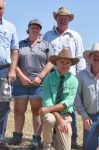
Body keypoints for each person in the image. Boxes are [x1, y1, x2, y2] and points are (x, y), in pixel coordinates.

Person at [43, 7, 86, 148]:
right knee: (50, 108)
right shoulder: (47, 35)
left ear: (69, 20)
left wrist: (81, 76)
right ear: (56, 18)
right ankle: (49, 140)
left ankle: (71, 138)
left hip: (71, 76)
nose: (63, 19)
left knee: (69, 108)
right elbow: (44, 56)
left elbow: (79, 56)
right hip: (52, 75)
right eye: (60, 17)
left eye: (65, 17)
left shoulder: (75, 36)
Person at [8, 19, 53, 149]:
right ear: (28, 29)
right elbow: (13, 60)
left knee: (37, 111)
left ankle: (36, 138)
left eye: (37, 27)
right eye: (32, 27)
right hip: (20, 83)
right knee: (18, 111)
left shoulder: (46, 44)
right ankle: (17, 136)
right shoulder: (20, 44)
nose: (35, 29)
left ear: (40, 31)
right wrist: (21, 76)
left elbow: (51, 62)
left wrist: (40, 77)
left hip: (39, 84)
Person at [39, 48, 79, 150]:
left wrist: (61, 119)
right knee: (48, 119)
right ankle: (46, 145)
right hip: (51, 114)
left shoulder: (74, 81)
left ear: (71, 64)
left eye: (67, 62)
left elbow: (67, 103)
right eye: (61, 62)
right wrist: (58, 118)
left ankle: (56, 139)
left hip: (65, 116)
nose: (64, 65)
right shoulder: (48, 78)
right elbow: (47, 101)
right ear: (56, 62)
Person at [0, 0, 19, 149]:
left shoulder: (10, 27)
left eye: (0, 8)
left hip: (5, 70)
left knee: (4, 104)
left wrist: (12, 69)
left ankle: (0, 139)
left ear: (4, 9)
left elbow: (14, 50)